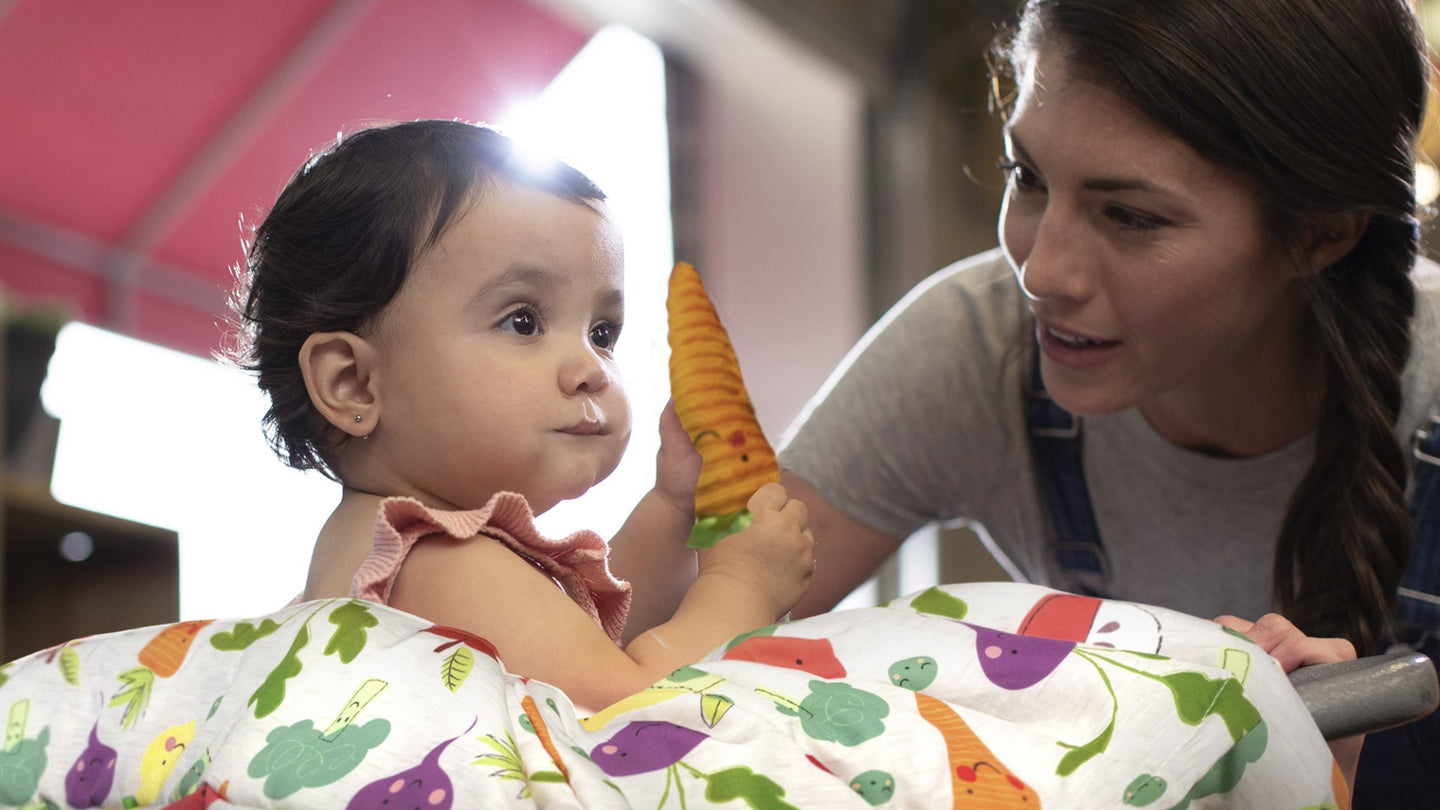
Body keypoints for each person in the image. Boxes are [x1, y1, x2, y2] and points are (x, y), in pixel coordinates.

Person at [774, 0, 1437, 804]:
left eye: (1130, 216)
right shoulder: (981, 347)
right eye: (1028, 177)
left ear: (1321, 232)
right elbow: (639, 655)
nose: (1040, 273)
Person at [229, 119, 815, 714]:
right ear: (353, 383)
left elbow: (581, 644)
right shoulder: (442, 562)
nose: (589, 367)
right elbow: (630, 708)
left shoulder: (386, 550)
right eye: (524, 321)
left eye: (602, 332)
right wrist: (743, 586)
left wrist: (670, 508)